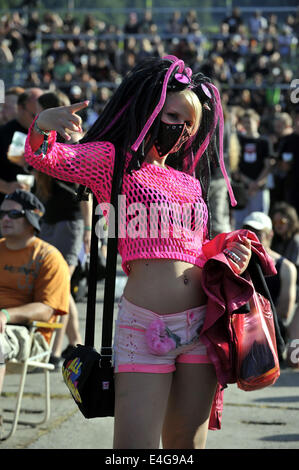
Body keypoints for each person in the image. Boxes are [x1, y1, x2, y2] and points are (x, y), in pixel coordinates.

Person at [24, 56, 253, 449]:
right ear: (146, 110)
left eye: (189, 122)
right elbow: (45, 157)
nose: (180, 128)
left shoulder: (189, 181)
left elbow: (193, 251)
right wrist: (44, 124)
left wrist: (229, 254)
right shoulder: (113, 162)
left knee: (186, 447)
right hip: (144, 325)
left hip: (202, 325)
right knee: (134, 450)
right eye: (172, 115)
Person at [0, 190, 70, 429]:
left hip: (29, 333)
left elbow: (46, 310)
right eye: (2, 213)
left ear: (31, 219)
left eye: (13, 213)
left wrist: (6, 315)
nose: (5, 219)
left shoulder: (49, 257)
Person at [33, 90, 91, 368]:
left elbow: (85, 192)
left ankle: (54, 353)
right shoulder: (45, 137)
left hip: (71, 222)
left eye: (41, 111)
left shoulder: (73, 138)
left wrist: (90, 230)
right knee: (60, 286)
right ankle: (74, 341)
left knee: (59, 285)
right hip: (50, 220)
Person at [242, 211, 297, 351]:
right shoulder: (237, 264)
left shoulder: (286, 268)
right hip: (242, 334)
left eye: (257, 233)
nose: (252, 238)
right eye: (248, 232)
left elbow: (284, 312)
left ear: (270, 234)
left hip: (272, 337)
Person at [0, 88, 44, 206]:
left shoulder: (47, 132)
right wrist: (6, 186)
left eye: (43, 115)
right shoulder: (4, 133)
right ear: (20, 108)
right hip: (8, 207)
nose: (38, 120)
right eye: (34, 115)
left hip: (39, 205)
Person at [231, 109, 272, 229]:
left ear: (257, 123)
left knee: (260, 221)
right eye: (245, 122)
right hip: (241, 187)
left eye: (250, 122)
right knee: (239, 223)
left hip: (259, 188)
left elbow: (268, 165)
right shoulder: (239, 139)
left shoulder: (264, 141)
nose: (247, 125)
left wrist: (256, 183)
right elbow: (234, 163)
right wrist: (247, 182)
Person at [270, 202, 299, 368]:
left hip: (296, 293)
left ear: (290, 221)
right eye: (274, 223)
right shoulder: (280, 240)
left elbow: (292, 271)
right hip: (292, 292)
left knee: (294, 359)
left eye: (281, 223)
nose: (277, 227)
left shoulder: (296, 241)